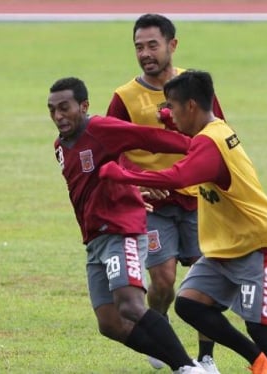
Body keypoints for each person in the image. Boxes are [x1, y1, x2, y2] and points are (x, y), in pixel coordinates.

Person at [100, 70, 267, 374]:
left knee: (262, 330)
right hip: (225, 247)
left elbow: (178, 176)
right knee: (189, 304)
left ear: (191, 106)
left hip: (257, 244)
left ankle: (262, 359)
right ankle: (256, 359)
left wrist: (124, 176)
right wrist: (176, 130)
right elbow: (190, 152)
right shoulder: (210, 131)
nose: (167, 112)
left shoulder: (211, 142)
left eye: (172, 106)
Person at [46, 76, 207, 374]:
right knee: (109, 323)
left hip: (121, 230)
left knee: (130, 305)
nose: (58, 116)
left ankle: (188, 367)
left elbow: (146, 138)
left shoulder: (100, 129)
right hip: (94, 239)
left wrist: (198, 147)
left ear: (84, 106)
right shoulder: (60, 146)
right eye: (52, 109)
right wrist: (133, 185)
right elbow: (102, 174)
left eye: (65, 108)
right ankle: (182, 363)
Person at [106, 13, 225, 372]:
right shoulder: (124, 98)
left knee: (210, 276)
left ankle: (206, 358)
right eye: (139, 47)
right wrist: (139, 181)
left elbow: (218, 133)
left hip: (197, 198)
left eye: (152, 45)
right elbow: (108, 151)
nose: (145, 53)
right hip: (153, 204)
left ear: (172, 45)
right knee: (163, 281)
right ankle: (161, 329)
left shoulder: (194, 87)